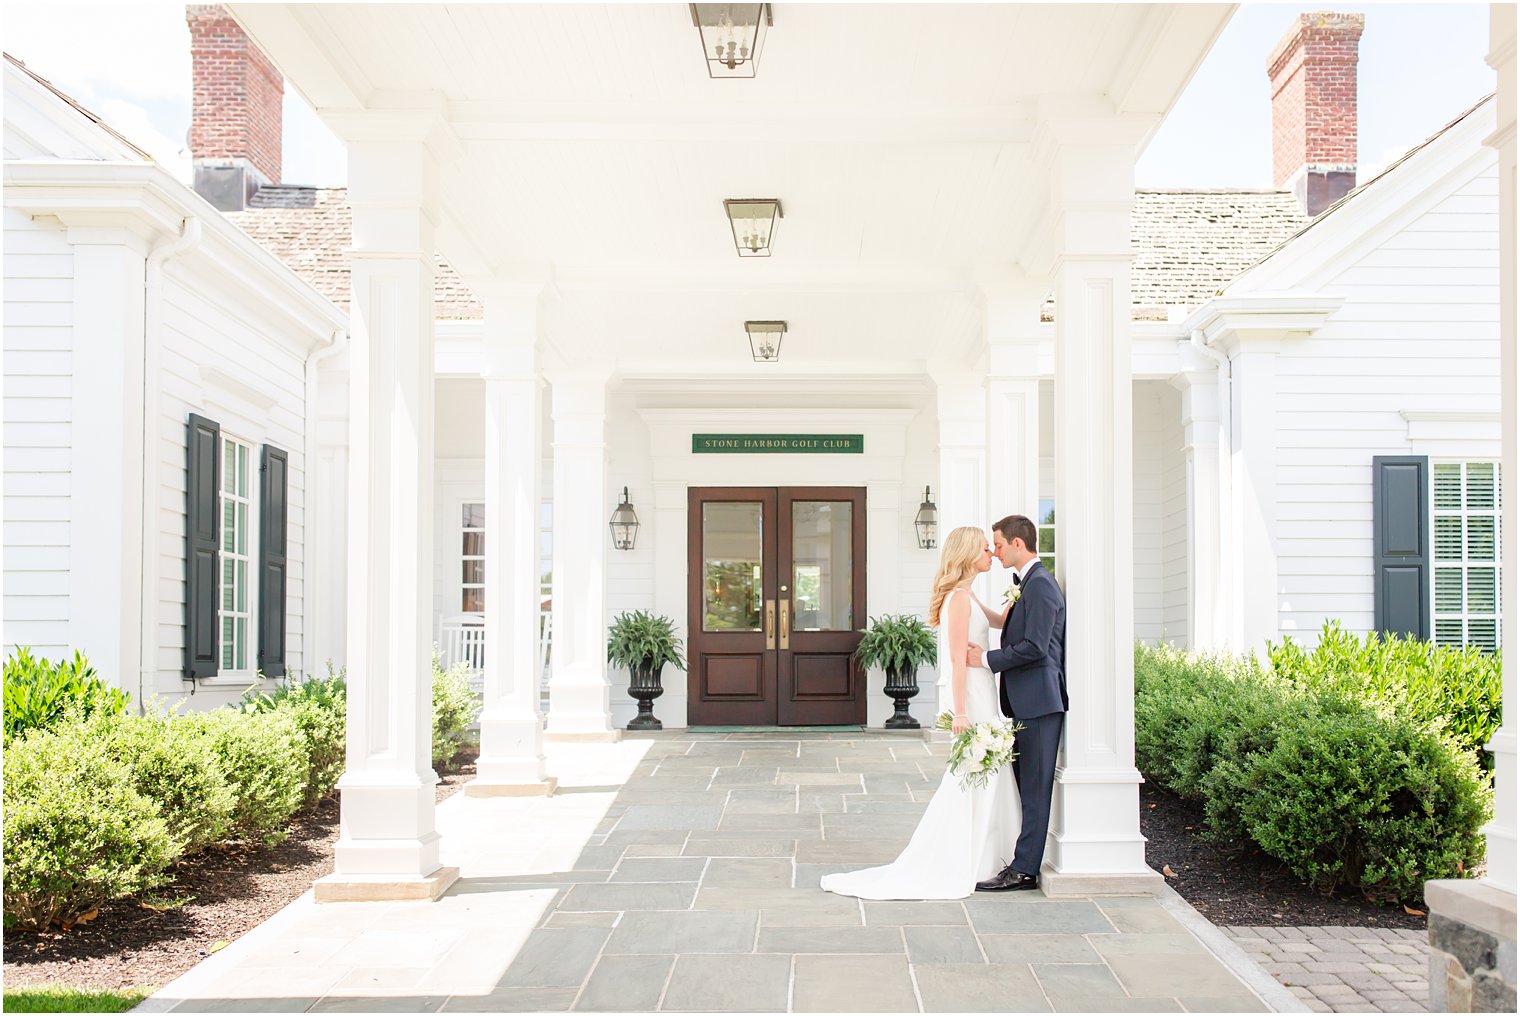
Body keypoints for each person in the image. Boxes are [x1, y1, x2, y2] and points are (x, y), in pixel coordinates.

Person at [819, 526, 1020, 900]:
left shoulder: (968, 595)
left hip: (984, 691)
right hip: (973, 696)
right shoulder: (958, 599)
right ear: (966, 555)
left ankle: (991, 854)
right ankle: (973, 857)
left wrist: (1018, 594)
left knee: (988, 773)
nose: (991, 553)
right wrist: (960, 712)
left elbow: (999, 622)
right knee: (975, 773)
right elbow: (958, 661)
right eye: (984, 549)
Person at [967, 514, 1068, 893]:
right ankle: (1020, 860)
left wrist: (987, 661)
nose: (995, 551)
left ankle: (1025, 870)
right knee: (1026, 784)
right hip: (1026, 703)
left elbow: (1036, 648)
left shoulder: (1040, 585)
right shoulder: (1029, 584)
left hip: (1041, 703)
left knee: (1036, 787)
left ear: (1017, 544)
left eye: (998, 544)